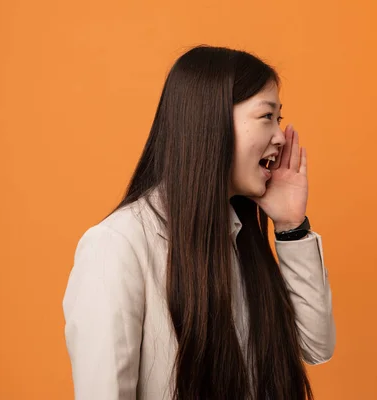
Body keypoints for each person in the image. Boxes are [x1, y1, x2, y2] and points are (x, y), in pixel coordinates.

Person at [62, 45, 335, 400]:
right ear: (212, 119)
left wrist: (290, 226)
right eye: (267, 116)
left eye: (279, 119)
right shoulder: (117, 245)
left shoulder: (238, 235)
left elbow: (316, 346)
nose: (280, 137)